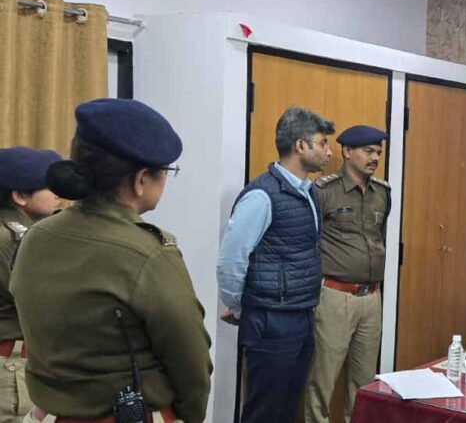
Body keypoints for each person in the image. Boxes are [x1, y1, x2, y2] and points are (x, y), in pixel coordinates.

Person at [10, 98, 212, 423]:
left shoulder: (36, 236)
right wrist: (190, 416)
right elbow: (191, 361)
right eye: (166, 173)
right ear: (141, 180)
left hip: (47, 415)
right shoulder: (147, 253)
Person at [217, 106, 334, 423]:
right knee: (264, 411)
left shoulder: (309, 192)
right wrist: (239, 307)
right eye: (322, 143)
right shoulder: (262, 195)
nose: (329, 151)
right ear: (301, 146)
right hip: (271, 319)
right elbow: (231, 259)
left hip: (301, 313)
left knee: (286, 408)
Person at [305, 125, 391, 423]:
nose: (375, 158)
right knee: (322, 379)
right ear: (347, 151)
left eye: (378, 152)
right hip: (335, 297)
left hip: (371, 298)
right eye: (368, 151)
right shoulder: (323, 191)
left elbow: (379, 237)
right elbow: (309, 243)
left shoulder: (382, 193)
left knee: (364, 383)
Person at [0, 146, 62, 423]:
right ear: (20, 196)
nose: (58, 194)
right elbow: (47, 305)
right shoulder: (15, 241)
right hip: (10, 366)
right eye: (49, 187)